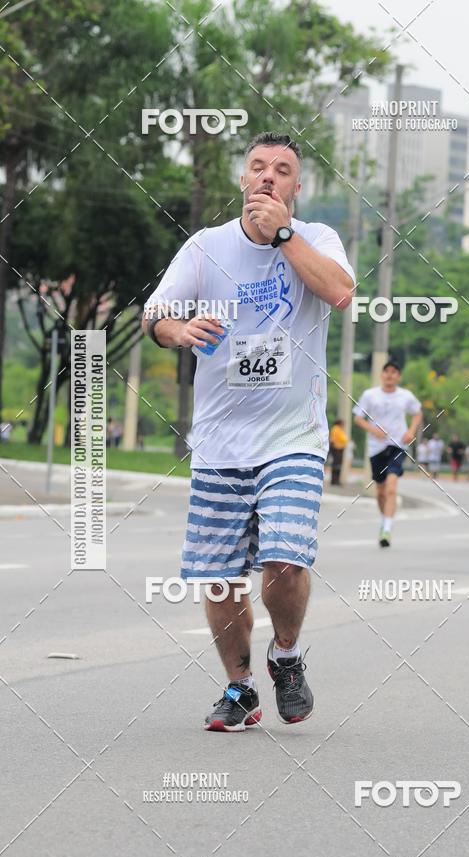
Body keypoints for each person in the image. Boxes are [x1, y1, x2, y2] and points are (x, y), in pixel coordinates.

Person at [142, 132, 355, 730]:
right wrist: (178, 332)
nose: (267, 177)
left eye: (281, 170)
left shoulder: (317, 240)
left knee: (284, 561)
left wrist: (285, 235)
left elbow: (340, 292)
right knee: (219, 575)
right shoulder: (205, 247)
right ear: (242, 179)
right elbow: (154, 316)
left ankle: (285, 656)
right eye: (257, 167)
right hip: (219, 444)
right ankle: (240, 689)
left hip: (293, 438)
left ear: (295, 187)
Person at [353, 361, 422, 548]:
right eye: (387, 372)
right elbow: (358, 417)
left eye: (394, 372)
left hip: (397, 445)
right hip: (376, 448)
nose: (390, 375)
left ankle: (387, 528)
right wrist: (372, 429)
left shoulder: (405, 396)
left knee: (392, 488)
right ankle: (385, 519)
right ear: (382, 375)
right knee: (381, 492)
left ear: (398, 376)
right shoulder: (370, 395)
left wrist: (411, 431)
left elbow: (417, 413)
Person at [329, 419, 348, 486]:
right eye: (343, 424)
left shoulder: (338, 429)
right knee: (336, 465)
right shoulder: (336, 429)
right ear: (339, 423)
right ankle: (335, 481)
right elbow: (342, 438)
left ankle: (336, 480)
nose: (343, 425)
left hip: (339, 448)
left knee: (337, 465)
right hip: (337, 449)